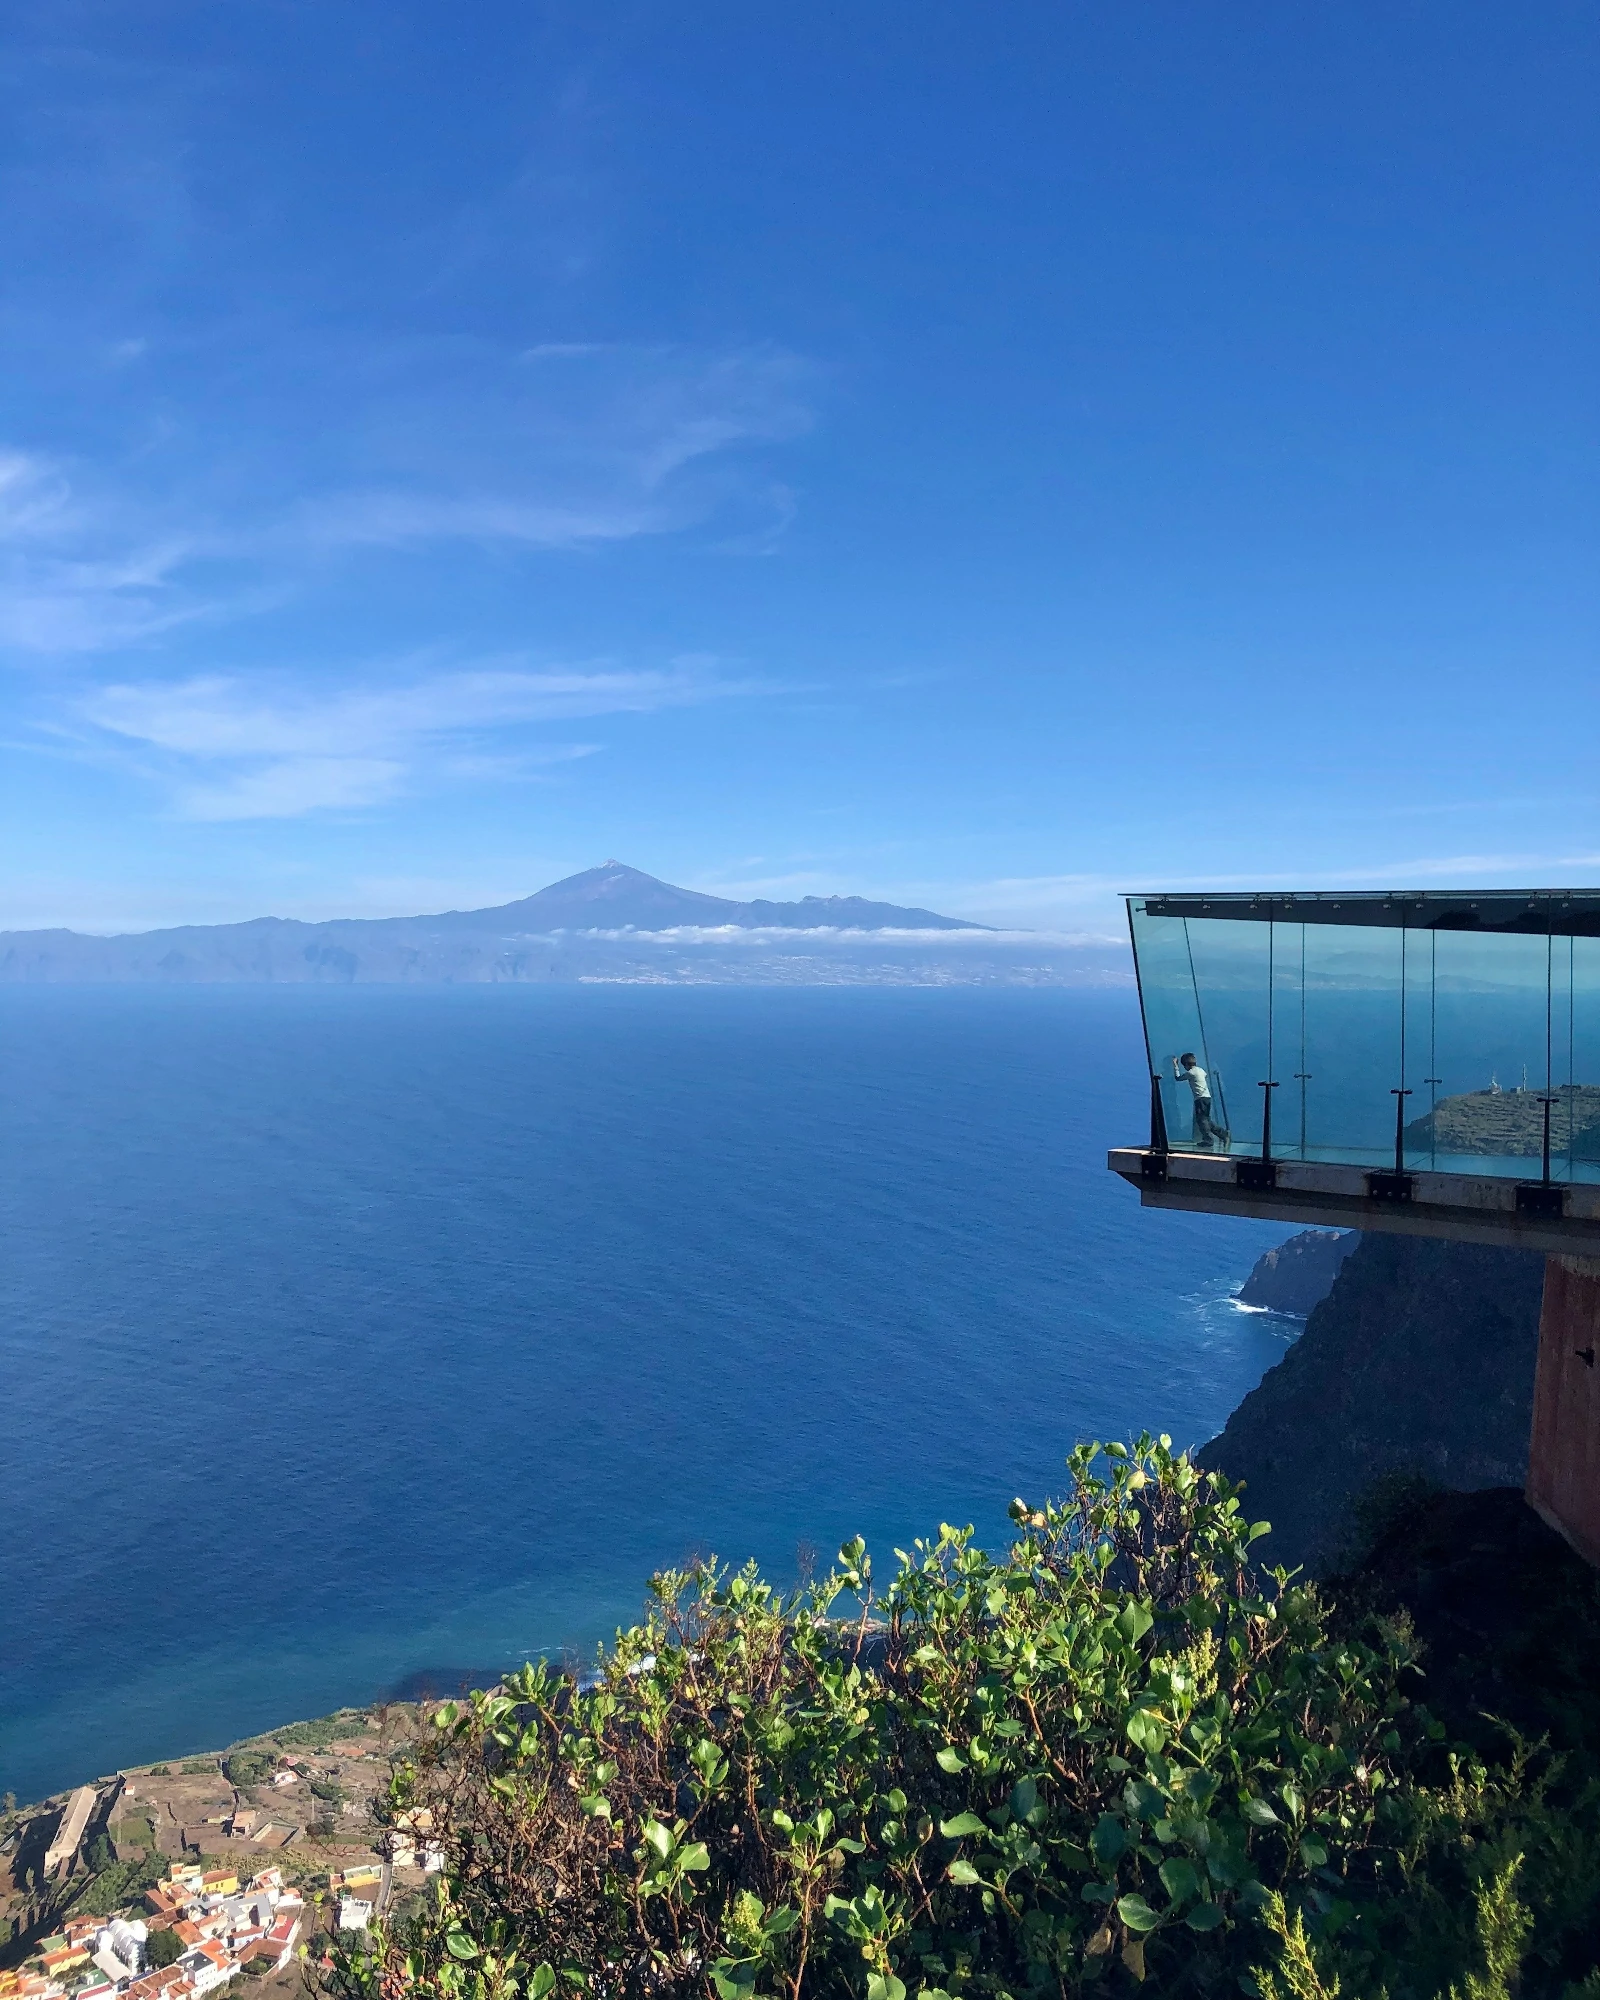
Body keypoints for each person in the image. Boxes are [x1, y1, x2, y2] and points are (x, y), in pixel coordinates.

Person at [1173, 1052, 1226, 1150]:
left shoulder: (1191, 1072)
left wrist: (1175, 1065)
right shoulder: (1200, 1070)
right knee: (1206, 1119)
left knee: (1201, 1120)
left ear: (1187, 1064)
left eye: (1184, 1065)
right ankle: (1223, 1134)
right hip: (1207, 1097)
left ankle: (1208, 1140)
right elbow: (1205, 1076)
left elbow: (1178, 1078)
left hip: (1200, 1099)